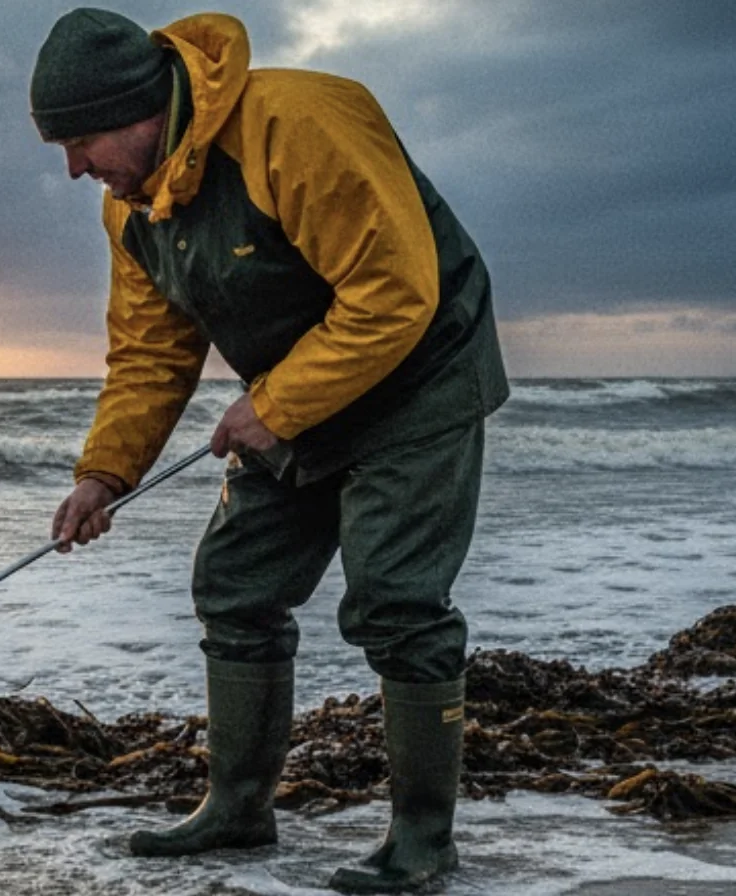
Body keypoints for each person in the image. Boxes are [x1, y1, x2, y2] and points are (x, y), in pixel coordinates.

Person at [30, 8, 509, 894]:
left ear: (141, 110)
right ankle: (238, 811)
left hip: (420, 373)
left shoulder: (298, 123)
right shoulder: (130, 208)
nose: (73, 168)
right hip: (301, 388)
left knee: (397, 600)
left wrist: (274, 407)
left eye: (82, 140)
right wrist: (104, 473)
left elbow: (396, 292)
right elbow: (149, 352)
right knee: (235, 584)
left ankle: (423, 842)